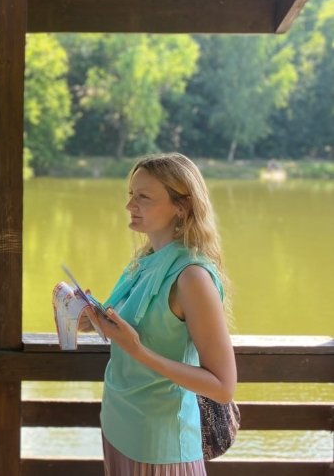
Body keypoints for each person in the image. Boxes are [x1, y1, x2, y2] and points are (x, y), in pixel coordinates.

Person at [84, 152, 236, 475]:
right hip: (118, 428)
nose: (130, 205)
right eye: (130, 195)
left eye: (143, 197)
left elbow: (223, 386)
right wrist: (93, 320)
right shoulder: (145, 259)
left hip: (160, 446)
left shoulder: (192, 277)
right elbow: (129, 325)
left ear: (181, 207)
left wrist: (138, 350)